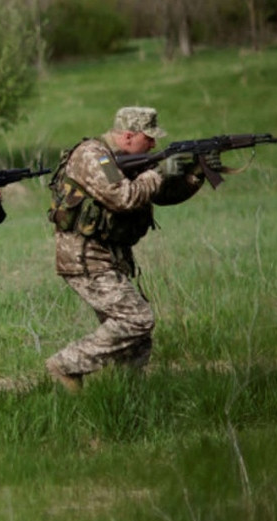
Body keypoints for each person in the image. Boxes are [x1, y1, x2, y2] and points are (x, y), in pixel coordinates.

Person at [45, 106, 209, 391]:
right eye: (149, 137)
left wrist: (196, 173)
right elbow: (123, 197)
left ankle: (127, 398)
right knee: (137, 319)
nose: (154, 143)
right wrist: (159, 172)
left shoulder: (130, 159)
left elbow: (162, 195)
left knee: (136, 341)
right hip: (85, 259)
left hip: (109, 258)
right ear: (128, 136)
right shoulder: (93, 155)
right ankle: (66, 364)